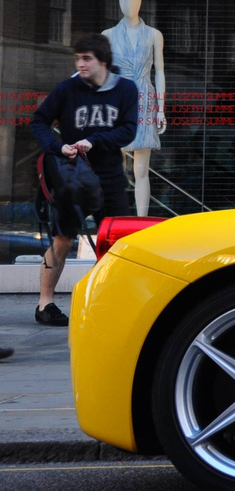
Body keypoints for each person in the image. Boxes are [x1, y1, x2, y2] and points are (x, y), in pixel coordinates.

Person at [29, 34, 139, 326]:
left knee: (117, 243)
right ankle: (45, 304)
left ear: (103, 60)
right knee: (63, 238)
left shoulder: (126, 90)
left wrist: (94, 140)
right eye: (78, 58)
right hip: (72, 175)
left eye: (86, 58)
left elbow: (129, 131)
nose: (81, 64)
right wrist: (57, 146)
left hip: (111, 177)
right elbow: (38, 120)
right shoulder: (67, 89)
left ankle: (114, 303)